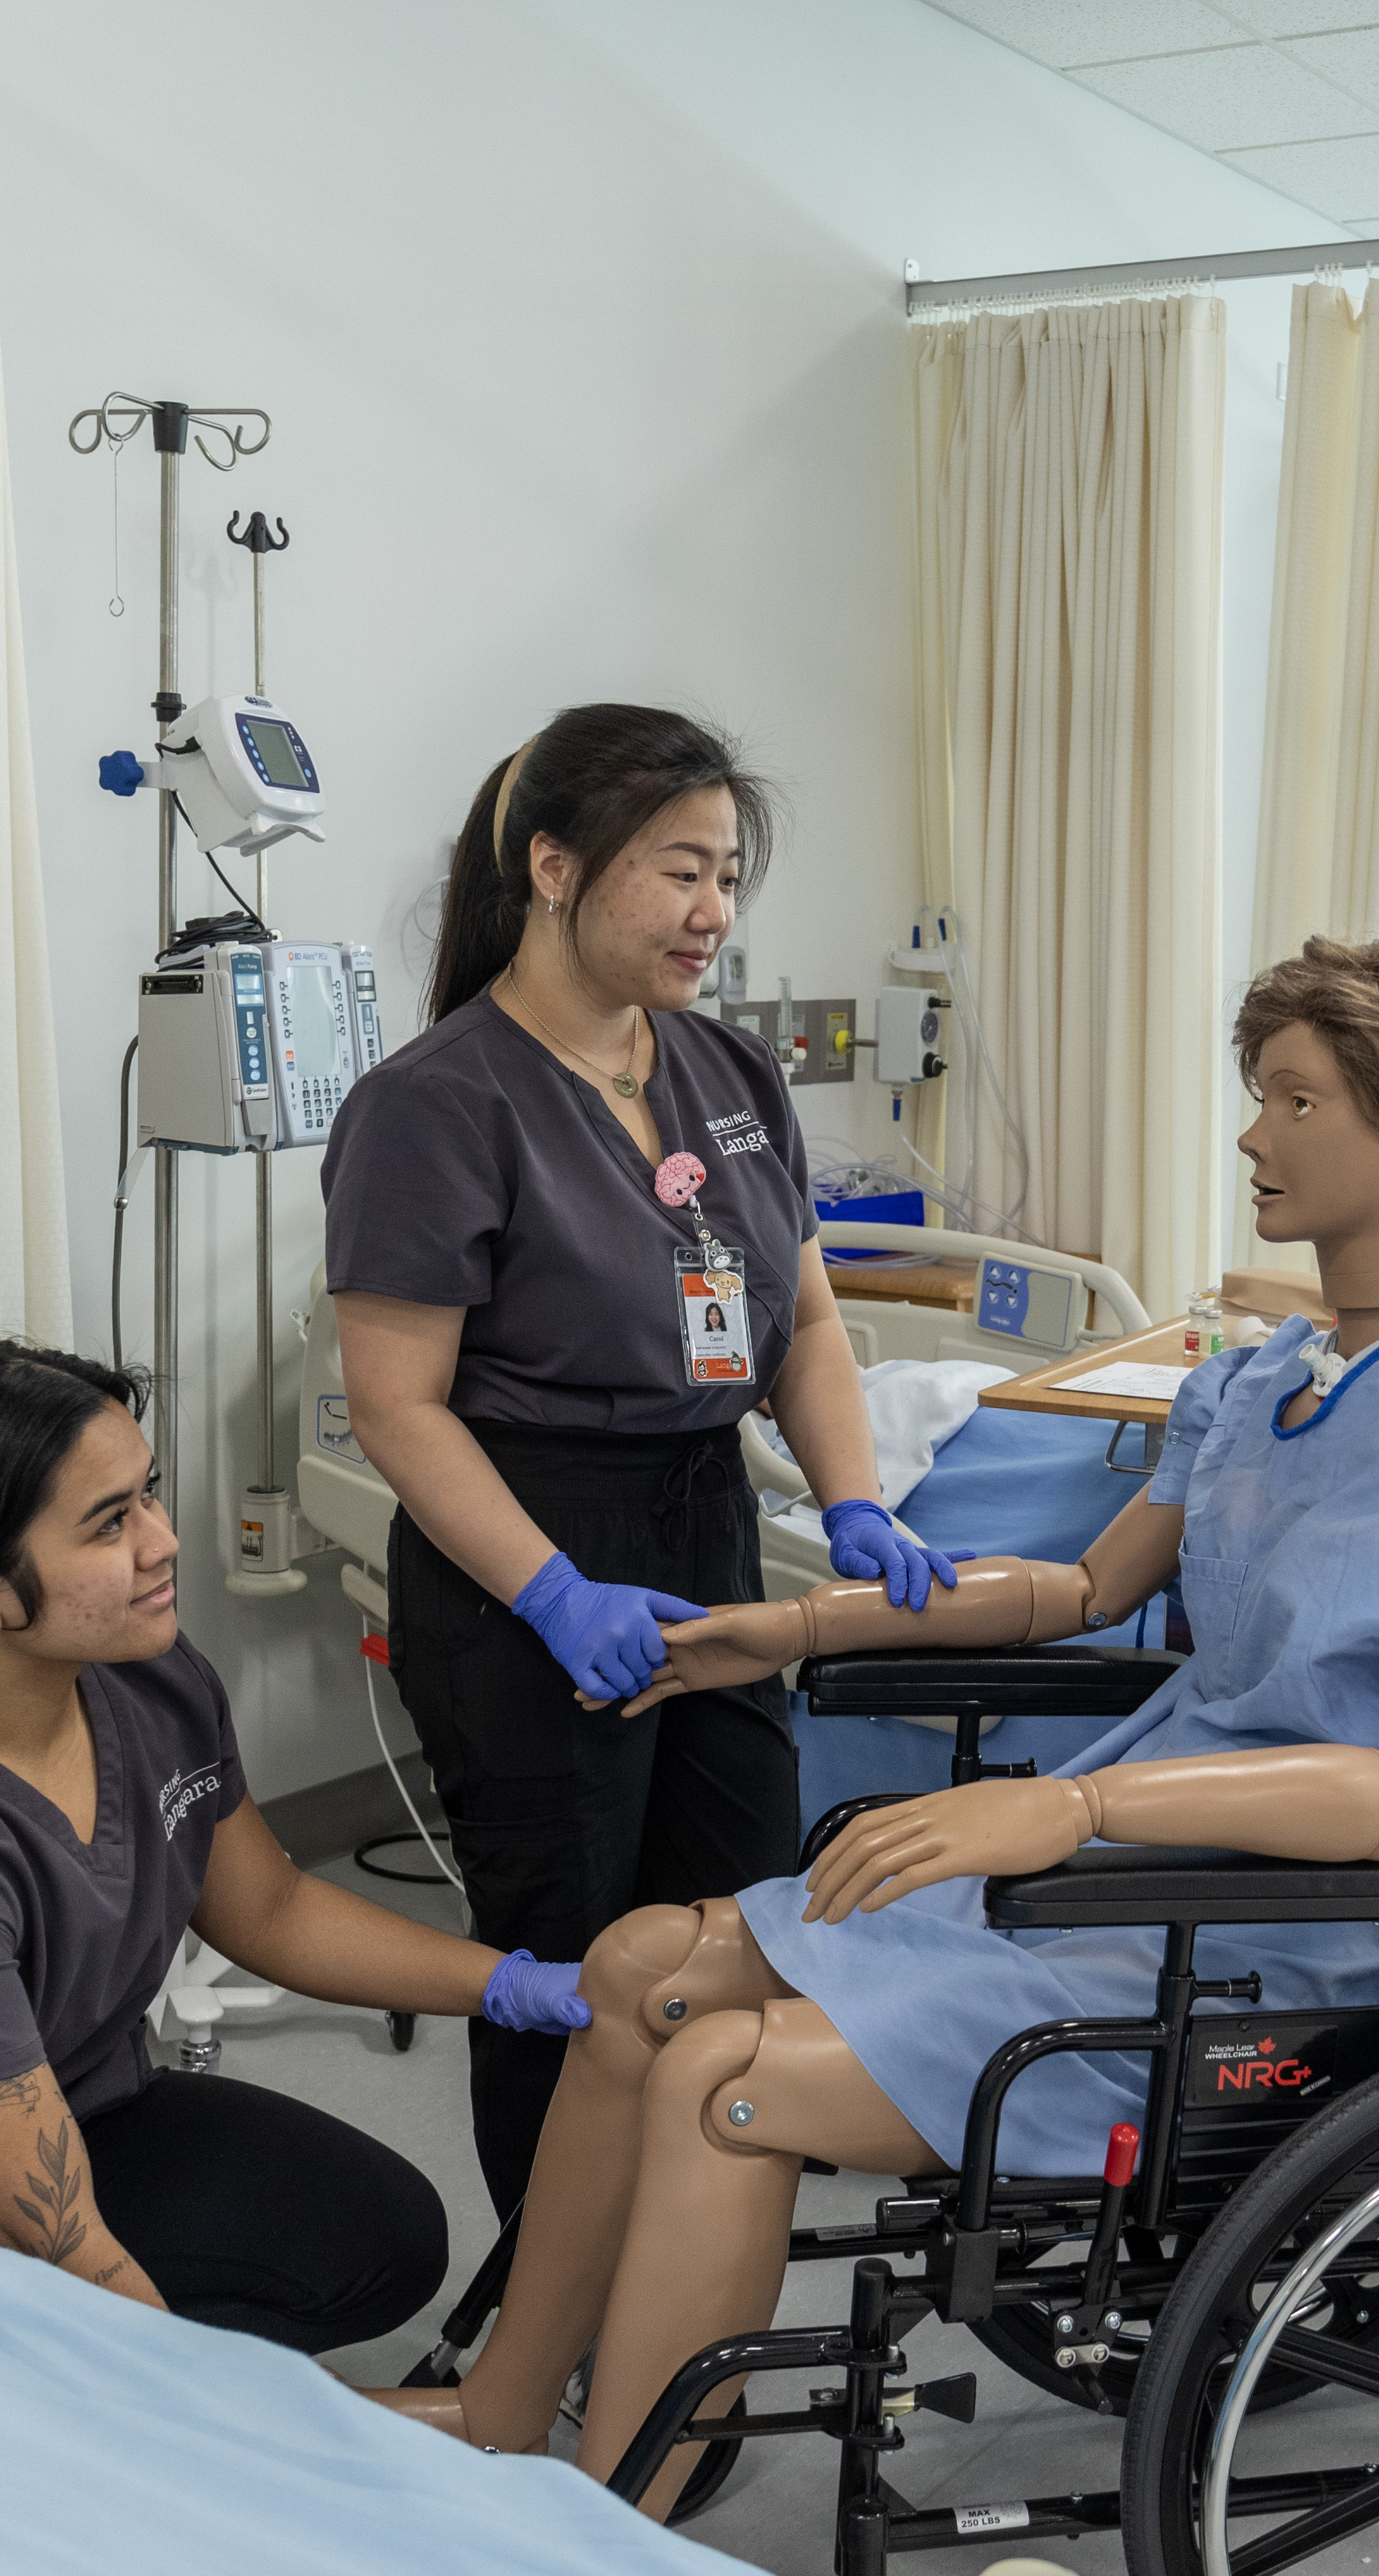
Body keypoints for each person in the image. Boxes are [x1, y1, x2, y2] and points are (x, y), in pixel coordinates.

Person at [362, 937, 1379, 2508]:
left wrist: (1073, 1812)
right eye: (1259, 1095)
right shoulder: (1262, 1383)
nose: (1250, 1135)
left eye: (1296, 1101)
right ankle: (500, 2409)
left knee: (721, 2074)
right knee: (633, 1969)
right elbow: (1087, 1588)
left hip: (1260, 1932)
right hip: (1094, 1873)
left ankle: (625, 2545)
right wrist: (796, 1623)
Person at [0, 1334, 587, 2354]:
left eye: (148, 1494)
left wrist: (517, 1987)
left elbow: (270, 1907)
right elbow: (61, 2239)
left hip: (68, 2098)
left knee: (375, 2241)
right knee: (29, 2344)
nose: (162, 1541)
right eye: (108, 1524)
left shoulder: (147, 1677)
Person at [325, 705, 958, 2216]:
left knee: (734, 1925)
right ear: (552, 866)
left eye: (728, 876)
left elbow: (801, 1318)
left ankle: (692, 2271)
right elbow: (399, 1404)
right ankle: (557, 2310)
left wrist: (853, 1493)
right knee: (575, 1952)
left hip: (704, 1530)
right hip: (528, 1554)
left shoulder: (726, 1072)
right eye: (680, 872)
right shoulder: (435, 1105)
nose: (713, 914)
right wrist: (553, 1596)